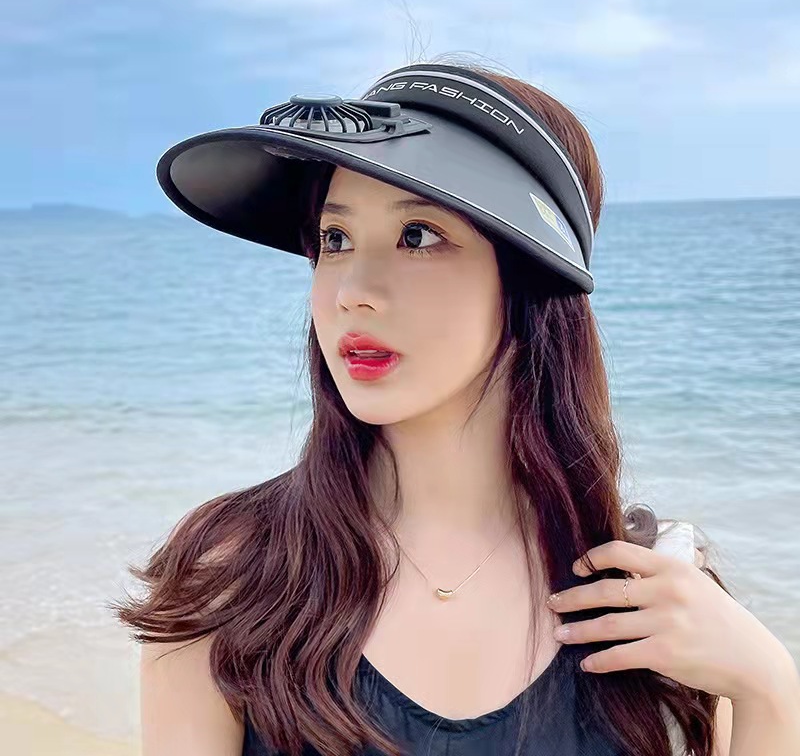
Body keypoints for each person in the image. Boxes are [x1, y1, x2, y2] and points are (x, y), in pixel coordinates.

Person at [112, 58, 799, 756]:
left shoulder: (653, 595)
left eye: (417, 236)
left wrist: (770, 689)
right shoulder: (230, 575)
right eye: (334, 239)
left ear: (527, 280)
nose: (352, 291)